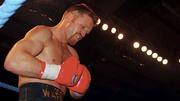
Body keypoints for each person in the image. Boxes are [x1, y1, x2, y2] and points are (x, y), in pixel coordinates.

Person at [4, 3, 99, 101]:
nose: (83, 34)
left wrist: (80, 90)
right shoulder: (44, 34)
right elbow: (13, 62)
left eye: (86, 32)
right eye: (83, 27)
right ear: (70, 17)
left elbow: (73, 93)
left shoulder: (73, 54)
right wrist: (57, 73)